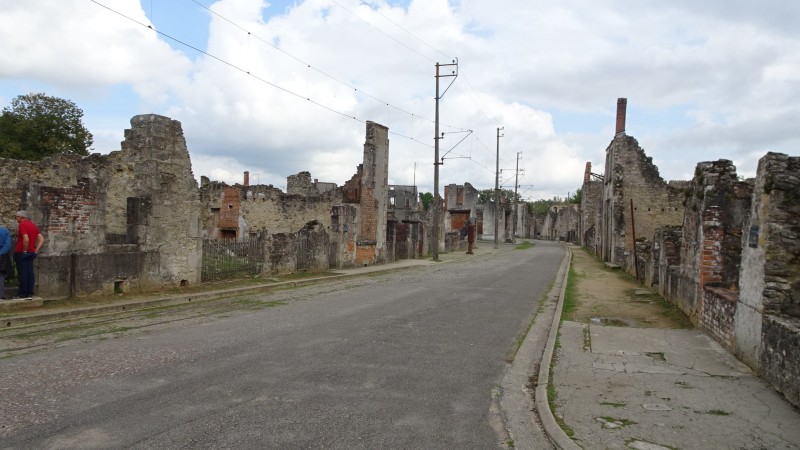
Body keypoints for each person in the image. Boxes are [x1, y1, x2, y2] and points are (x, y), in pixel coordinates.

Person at [14, 211, 44, 299]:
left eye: (16, 217)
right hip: (32, 251)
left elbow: (26, 239)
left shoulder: (22, 225)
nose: (16, 219)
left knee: (22, 272)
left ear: (21, 217)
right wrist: (36, 250)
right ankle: (29, 292)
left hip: (22, 251)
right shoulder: (33, 225)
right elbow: (41, 239)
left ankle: (23, 293)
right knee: (29, 272)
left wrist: (24, 250)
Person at [0, 223, 11, 300]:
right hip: (3, 256)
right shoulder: (5, 231)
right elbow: (8, 244)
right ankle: (1, 295)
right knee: (1, 276)